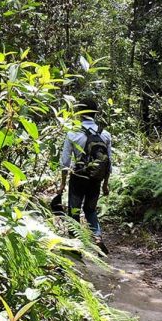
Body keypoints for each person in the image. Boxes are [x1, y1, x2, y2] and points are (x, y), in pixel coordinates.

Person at [59, 99, 112, 246]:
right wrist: (105, 184)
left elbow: (65, 162)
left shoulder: (73, 133)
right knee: (90, 209)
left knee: (74, 211)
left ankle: (75, 244)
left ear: (79, 113)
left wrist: (62, 184)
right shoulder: (105, 134)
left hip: (78, 177)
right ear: (96, 113)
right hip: (96, 178)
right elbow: (109, 162)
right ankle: (97, 236)